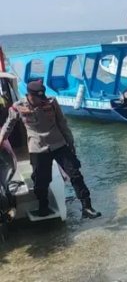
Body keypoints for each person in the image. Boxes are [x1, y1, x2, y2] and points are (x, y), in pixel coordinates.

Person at [0, 80, 101, 219]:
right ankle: (43, 207)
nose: (42, 100)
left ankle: (87, 207)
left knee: (75, 174)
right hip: (38, 148)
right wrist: (1, 141)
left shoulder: (52, 103)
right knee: (41, 182)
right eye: (38, 97)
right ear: (29, 95)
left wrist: (70, 143)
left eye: (43, 96)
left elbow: (62, 123)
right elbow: (9, 125)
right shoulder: (18, 107)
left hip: (59, 144)